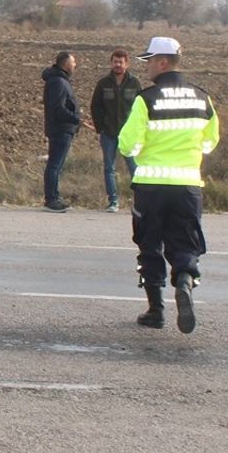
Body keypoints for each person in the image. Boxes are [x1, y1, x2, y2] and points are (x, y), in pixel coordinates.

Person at [118, 36, 220, 334]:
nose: (147, 66)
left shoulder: (146, 99)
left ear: (162, 62)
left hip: (150, 186)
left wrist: (142, 150)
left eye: (149, 60)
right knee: (186, 243)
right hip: (188, 186)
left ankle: (155, 311)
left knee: (150, 245)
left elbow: (127, 144)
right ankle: (185, 282)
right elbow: (211, 142)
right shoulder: (202, 98)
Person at [90, 49, 143, 213]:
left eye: (121, 62)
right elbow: (95, 106)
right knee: (109, 168)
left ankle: (140, 201)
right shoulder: (104, 83)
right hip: (109, 133)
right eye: (115, 62)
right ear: (111, 63)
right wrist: (101, 127)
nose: (118, 65)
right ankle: (113, 201)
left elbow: (141, 108)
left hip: (129, 134)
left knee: (134, 167)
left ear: (126, 64)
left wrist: (138, 130)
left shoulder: (135, 83)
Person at [40, 52, 92, 212]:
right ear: (66, 64)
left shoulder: (60, 80)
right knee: (54, 165)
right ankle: (51, 199)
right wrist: (77, 120)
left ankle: (54, 196)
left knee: (56, 165)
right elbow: (58, 108)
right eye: (73, 62)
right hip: (60, 129)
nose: (75, 65)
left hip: (63, 129)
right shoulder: (58, 82)